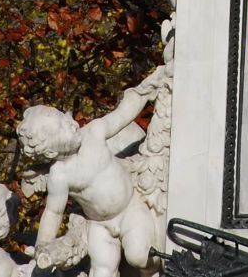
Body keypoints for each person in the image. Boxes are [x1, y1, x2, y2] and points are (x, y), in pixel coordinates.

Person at [17, 80, 162, 277]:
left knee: (138, 257)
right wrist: (43, 243)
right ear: (51, 151)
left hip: (129, 208)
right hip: (99, 225)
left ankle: (158, 270)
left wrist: (146, 90)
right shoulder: (60, 175)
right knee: (101, 271)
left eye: (65, 118)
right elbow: (53, 212)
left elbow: (122, 115)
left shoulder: (94, 132)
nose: (71, 123)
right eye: (63, 127)